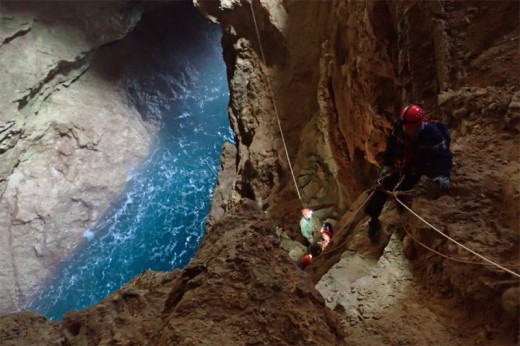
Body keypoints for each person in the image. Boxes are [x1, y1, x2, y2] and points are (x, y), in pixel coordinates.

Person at [364, 104, 452, 242]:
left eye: (409, 128)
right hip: (403, 164)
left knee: (401, 189)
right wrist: (387, 165)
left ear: (418, 125)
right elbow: (391, 147)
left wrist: (443, 175)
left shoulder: (432, 134)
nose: (405, 129)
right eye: (404, 126)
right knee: (380, 187)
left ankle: (402, 208)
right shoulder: (400, 129)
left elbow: (443, 156)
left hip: (418, 167)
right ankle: (373, 219)